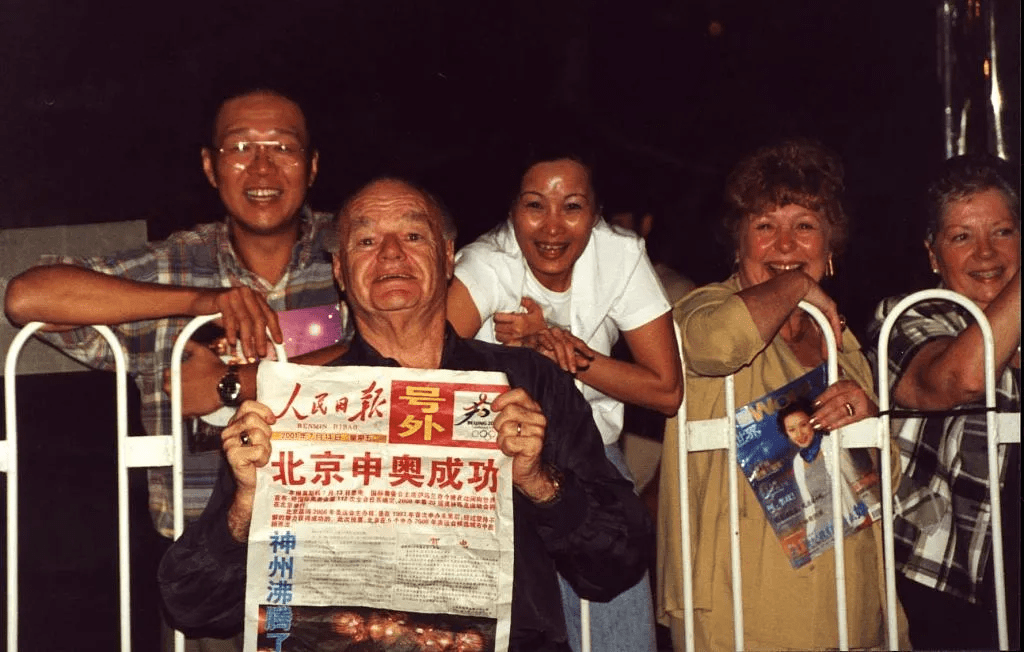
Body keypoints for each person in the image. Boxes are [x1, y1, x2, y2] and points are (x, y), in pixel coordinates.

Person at [158, 177, 655, 652]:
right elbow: (190, 604)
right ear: (339, 270)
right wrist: (246, 507)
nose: (391, 253)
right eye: (367, 240)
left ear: (446, 257)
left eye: (413, 235)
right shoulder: (294, 406)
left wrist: (540, 482)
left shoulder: (527, 384)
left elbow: (619, 560)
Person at [4, 88, 349, 651]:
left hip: (354, 560)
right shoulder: (179, 264)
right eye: (240, 146)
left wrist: (237, 385)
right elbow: (28, 296)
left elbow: (419, 332)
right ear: (211, 167)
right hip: (213, 574)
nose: (261, 165)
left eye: (281, 147)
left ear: (311, 165)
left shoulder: (357, 249)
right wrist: (198, 303)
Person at [657, 140, 909, 651]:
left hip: (850, 598)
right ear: (738, 243)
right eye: (765, 225)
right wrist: (796, 286)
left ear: (831, 247)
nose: (785, 243)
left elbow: (886, 478)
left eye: (805, 226)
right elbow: (716, 345)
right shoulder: (705, 305)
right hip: (745, 602)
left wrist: (868, 418)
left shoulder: (845, 343)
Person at [446, 153, 683, 652]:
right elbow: (427, 371)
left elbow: (665, 390)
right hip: (494, 462)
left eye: (572, 206)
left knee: (617, 619)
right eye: (535, 205)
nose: (552, 226)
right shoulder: (486, 264)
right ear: (512, 211)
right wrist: (516, 363)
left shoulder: (619, 256)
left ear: (596, 212)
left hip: (591, 454)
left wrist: (565, 350)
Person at [867, 153, 1020, 650]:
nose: (985, 253)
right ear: (933, 256)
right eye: (961, 237)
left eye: (1002, 232)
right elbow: (961, 379)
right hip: (951, 576)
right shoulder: (907, 316)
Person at [776, 398, 863, 541]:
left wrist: (865, 518)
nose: (799, 434)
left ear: (813, 421)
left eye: (803, 425)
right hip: (820, 535)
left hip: (850, 526)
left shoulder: (832, 444)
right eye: (792, 430)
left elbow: (857, 484)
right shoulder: (797, 462)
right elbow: (808, 505)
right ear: (787, 434)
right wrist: (810, 537)